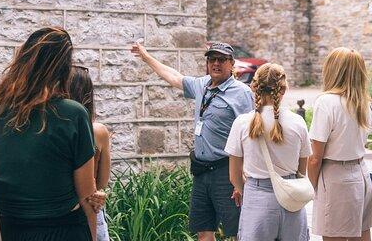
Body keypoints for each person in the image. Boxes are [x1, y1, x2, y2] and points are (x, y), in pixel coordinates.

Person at [0, 27, 104, 241]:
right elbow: (86, 196)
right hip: (63, 231)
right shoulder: (73, 114)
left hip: (5, 230)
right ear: (64, 68)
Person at [131, 41, 253, 241]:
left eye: (222, 60)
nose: (216, 63)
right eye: (212, 59)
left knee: (238, 231)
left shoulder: (241, 93)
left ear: (231, 64)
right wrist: (146, 57)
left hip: (227, 171)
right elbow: (173, 76)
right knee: (203, 231)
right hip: (201, 170)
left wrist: (243, 176)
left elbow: (250, 133)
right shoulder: (202, 85)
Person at [225, 63, 311, 241]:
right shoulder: (298, 123)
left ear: (254, 87)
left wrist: (246, 190)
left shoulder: (242, 123)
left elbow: (234, 176)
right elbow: (302, 171)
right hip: (291, 200)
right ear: (284, 90)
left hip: (257, 198)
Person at [308, 47, 372, 241]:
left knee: (333, 236)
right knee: (361, 233)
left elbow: (315, 158)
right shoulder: (363, 102)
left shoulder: (327, 102)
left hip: (336, 176)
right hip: (361, 173)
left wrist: (313, 185)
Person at [69, 66, 111, 241]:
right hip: (91, 204)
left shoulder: (54, 130)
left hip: (62, 209)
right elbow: (102, 181)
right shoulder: (99, 131)